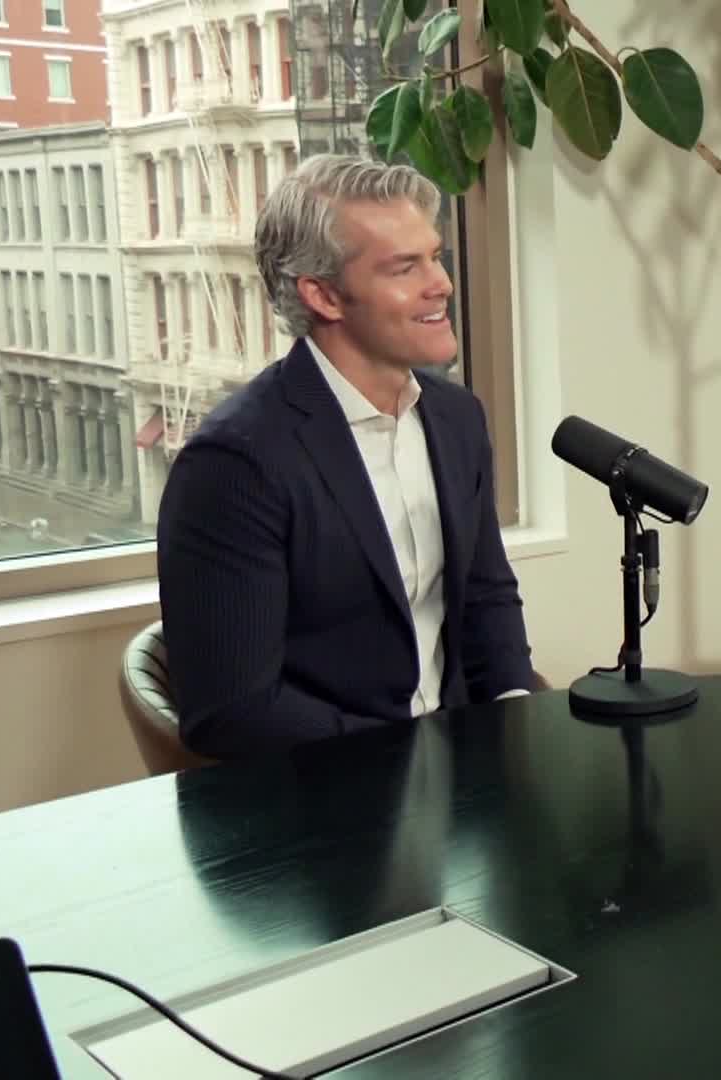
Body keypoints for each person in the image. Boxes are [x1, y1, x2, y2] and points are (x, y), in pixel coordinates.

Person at [156, 154, 537, 759]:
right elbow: (234, 711)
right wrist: (415, 762)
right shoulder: (235, 462)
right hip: (330, 788)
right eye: (405, 267)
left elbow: (486, 595)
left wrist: (516, 719)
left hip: (461, 768)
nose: (441, 283)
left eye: (435, 256)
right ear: (325, 296)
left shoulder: (456, 418)